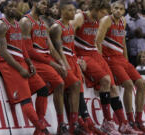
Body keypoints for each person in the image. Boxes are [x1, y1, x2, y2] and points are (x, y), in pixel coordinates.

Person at [71, 0, 140, 134]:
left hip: (95, 53)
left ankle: (123, 124)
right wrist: (76, 59)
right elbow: (67, 36)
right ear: (96, 8)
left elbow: (97, 42)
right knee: (106, 81)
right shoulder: (80, 17)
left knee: (113, 87)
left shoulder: (98, 20)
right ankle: (107, 121)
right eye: (103, 12)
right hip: (83, 54)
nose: (104, 15)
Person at [95, 1, 145, 134]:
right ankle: (130, 121)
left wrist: (126, 61)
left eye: (121, 9)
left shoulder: (123, 21)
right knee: (128, 85)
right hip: (109, 59)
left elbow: (123, 44)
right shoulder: (106, 20)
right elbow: (97, 42)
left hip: (121, 58)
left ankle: (139, 121)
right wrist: (101, 63)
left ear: (123, 11)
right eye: (115, 8)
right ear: (111, 9)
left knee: (141, 83)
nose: (118, 11)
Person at [0, 1, 51, 135]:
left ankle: (38, 127)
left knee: (43, 89)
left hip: (22, 63)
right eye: (10, 7)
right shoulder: (1, 25)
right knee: (25, 99)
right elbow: (3, 52)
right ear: (5, 8)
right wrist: (20, 68)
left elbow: (23, 47)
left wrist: (30, 63)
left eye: (15, 6)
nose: (13, 9)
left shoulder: (18, 24)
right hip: (9, 65)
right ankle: (42, 129)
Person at [19, 0, 71, 134]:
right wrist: (53, 64)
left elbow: (52, 48)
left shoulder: (43, 23)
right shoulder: (26, 22)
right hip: (34, 61)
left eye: (46, 4)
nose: (45, 7)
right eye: (42, 3)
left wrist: (61, 62)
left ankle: (50, 125)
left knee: (53, 86)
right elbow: (29, 51)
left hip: (45, 59)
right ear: (34, 3)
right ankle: (58, 124)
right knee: (59, 83)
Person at [50, 0, 86, 134]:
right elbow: (58, 50)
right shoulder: (56, 27)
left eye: (74, 10)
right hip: (62, 61)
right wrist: (65, 65)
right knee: (74, 86)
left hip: (71, 59)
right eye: (70, 10)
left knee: (77, 88)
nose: (74, 12)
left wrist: (78, 62)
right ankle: (69, 123)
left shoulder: (70, 26)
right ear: (62, 11)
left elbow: (71, 48)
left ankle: (75, 123)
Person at [125, 1, 145, 67]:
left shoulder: (144, 20)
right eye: (130, 7)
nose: (132, 9)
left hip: (142, 54)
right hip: (130, 54)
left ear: (138, 7)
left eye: (134, 7)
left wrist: (142, 35)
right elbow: (122, 37)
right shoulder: (124, 20)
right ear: (127, 9)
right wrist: (132, 34)